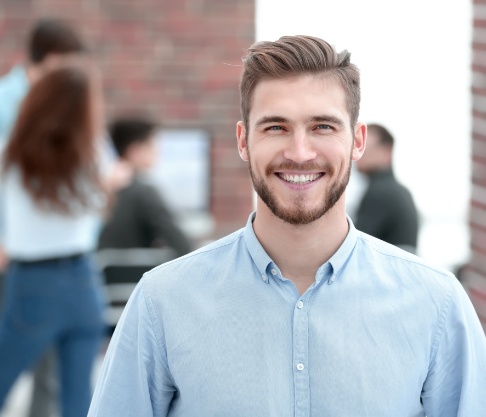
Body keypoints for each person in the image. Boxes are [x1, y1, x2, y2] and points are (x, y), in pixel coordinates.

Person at [88, 35, 486, 417]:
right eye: (276, 127)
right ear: (243, 141)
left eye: (323, 127)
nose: (299, 152)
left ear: (357, 141)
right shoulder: (162, 302)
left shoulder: (438, 305)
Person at [0, 58, 114, 417]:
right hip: (83, 282)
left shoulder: (12, 155)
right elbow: (99, 208)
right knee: (79, 402)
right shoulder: (92, 156)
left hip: (32, 283)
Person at [97, 117, 192, 256]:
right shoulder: (143, 192)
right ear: (135, 151)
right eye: (153, 146)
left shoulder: (99, 188)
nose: (158, 152)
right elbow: (181, 244)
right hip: (132, 276)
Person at [354, 123, 419, 252]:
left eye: (365, 147)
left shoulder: (380, 192)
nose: (358, 152)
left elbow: (355, 244)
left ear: (386, 150)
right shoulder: (400, 191)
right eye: (355, 145)